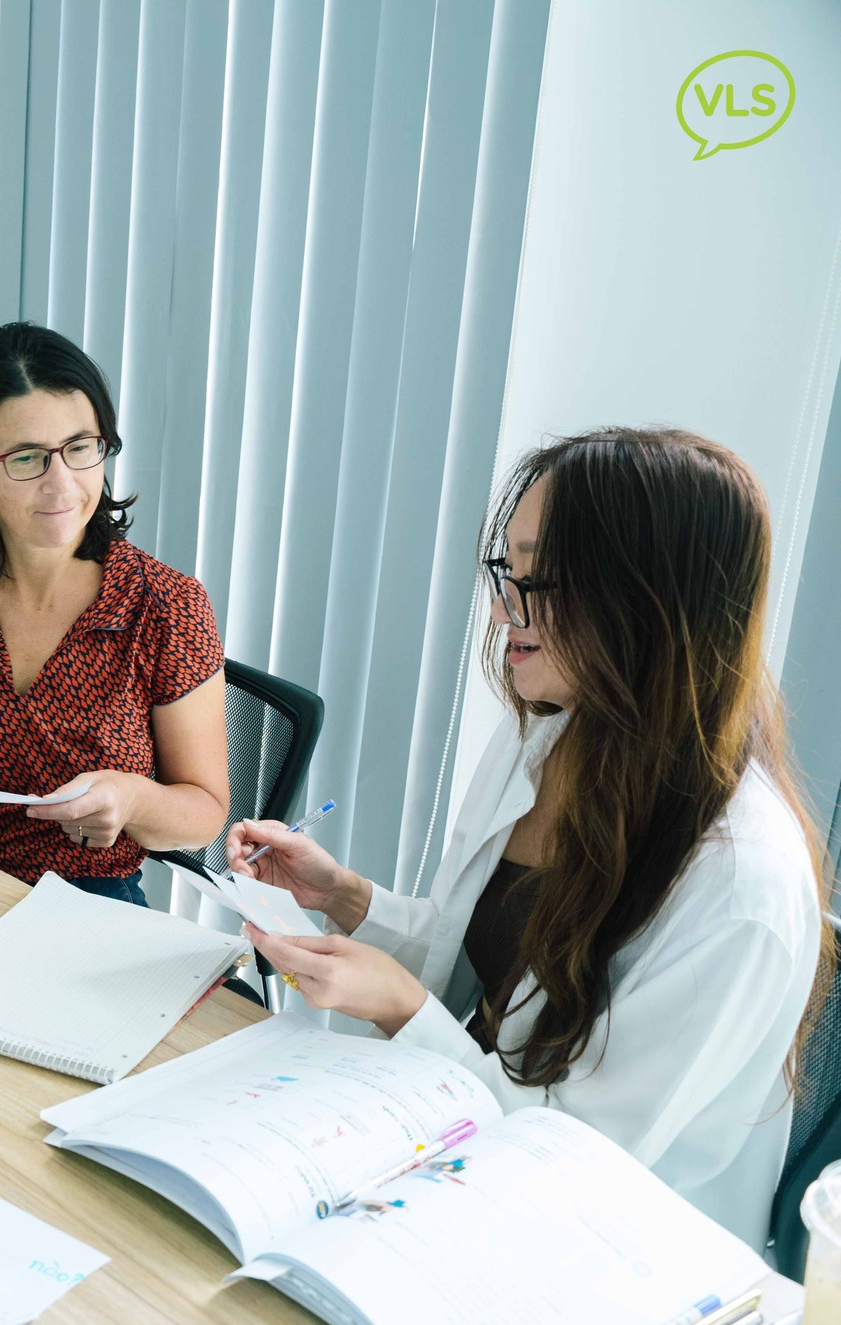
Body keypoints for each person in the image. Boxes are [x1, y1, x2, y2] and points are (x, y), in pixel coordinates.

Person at [231, 427, 831, 1250]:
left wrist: (402, 1007)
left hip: (601, 1248)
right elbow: (480, 961)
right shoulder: (547, 733)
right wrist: (344, 897)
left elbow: (579, 1153)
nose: (502, 608)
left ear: (650, 599)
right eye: (506, 572)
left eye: (539, 578)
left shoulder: (740, 886)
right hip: (456, 1156)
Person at [0, 322, 229, 905]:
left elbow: (206, 815)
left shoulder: (166, 607)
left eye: (80, 448)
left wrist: (132, 799)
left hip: (90, 899)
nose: (61, 484)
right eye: (27, 457)